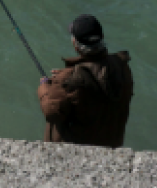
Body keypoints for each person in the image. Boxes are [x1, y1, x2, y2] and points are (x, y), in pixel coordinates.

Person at [37, 14, 133, 147]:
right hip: (112, 142)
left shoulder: (69, 79)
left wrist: (44, 85)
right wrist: (67, 76)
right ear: (102, 38)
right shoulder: (122, 66)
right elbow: (97, 81)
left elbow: (51, 111)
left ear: (75, 45)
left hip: (76, 148)